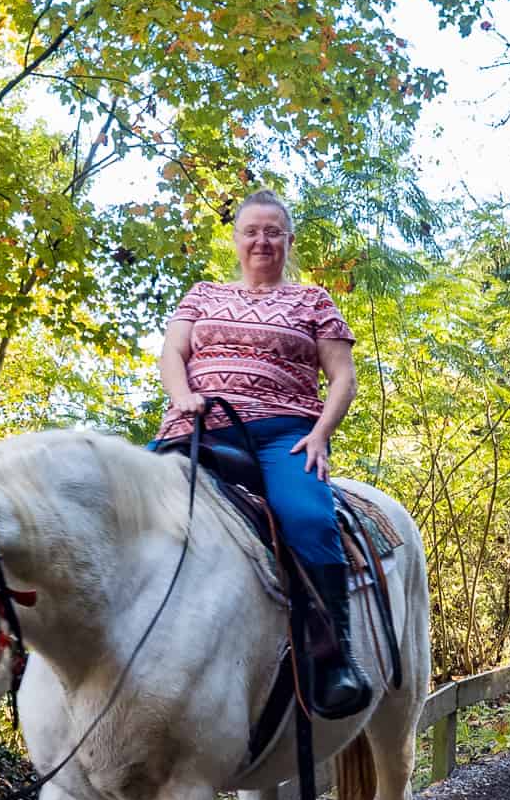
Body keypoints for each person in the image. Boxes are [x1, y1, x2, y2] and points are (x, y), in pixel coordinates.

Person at [155, 189, 371, 719]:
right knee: (122, 502)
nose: (262, 240)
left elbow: (343, 377)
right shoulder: (202, 294)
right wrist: (183, 397)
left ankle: (332, 657)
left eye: (273, 231)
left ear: (289, 241)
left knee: (308, 517)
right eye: (252, 230)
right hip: (198, 428)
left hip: (283, 433)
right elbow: (172, 354)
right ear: (236, 238)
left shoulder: (314, 300)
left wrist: (320, 434)